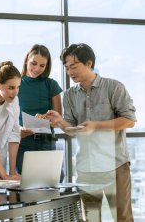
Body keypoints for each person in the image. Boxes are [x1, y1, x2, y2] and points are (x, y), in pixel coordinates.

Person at [45, 43, 136, 222]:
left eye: (74, 65)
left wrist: (96, 125)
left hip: (115, 165)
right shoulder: (70, 95)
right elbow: (71, 130)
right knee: (91, 218)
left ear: (89, 63)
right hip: (87, 168)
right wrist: (60, 121)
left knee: (122, 217)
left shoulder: (113, 87)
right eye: (67, 67)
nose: (70, 71)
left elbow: (129, 121)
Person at [15, 44, 63, 178]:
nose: (36, 69)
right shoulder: (16, 84)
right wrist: (19, 129)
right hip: (23, 141)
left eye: (42, 66)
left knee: (53, 179)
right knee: (26, 183)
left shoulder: (51, 85)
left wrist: (47, 119)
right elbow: (8, 117)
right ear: (26, 61)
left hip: (46, 140)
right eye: (33, 63)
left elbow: (58, 121)